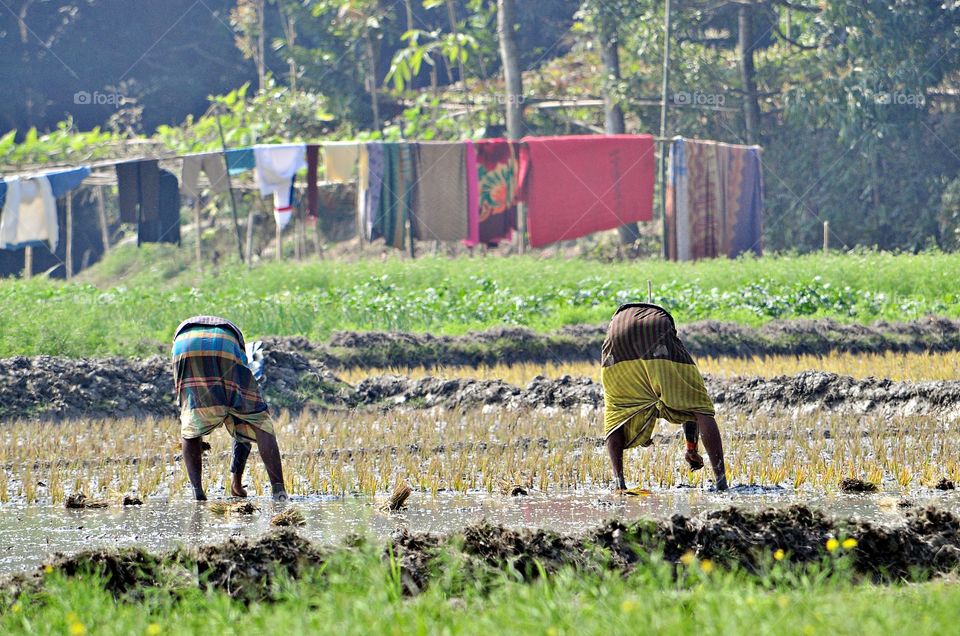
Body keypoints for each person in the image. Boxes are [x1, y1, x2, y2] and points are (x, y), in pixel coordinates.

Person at [601, 303, 728, 491]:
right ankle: (721, 482)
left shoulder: (622, 315)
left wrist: (690, 448)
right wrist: (692, 450)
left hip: (617, 332)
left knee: (617, 412)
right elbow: (691, 408)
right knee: (699, 406)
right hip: (657, 325)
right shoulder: (659, 323)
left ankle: (619, 484)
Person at [172, 315, 288, 501]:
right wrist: (236, 481)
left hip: (184, 344)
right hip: (225, 342)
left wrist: (236, 486)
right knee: (258, 419)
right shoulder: (247, 358)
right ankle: (279, 490)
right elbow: (242, 431)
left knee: (192, 419)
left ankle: (198, 493)